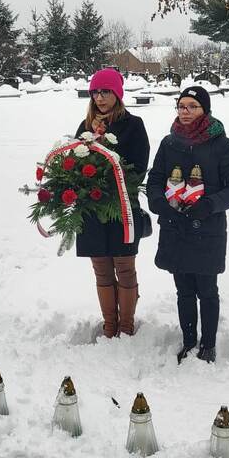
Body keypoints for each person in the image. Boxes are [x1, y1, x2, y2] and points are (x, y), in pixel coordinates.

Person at [146, 86, 229, 363]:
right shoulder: (169, 143)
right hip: (175, 226)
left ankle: (208, 343)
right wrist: (159, 203)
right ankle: (189, 340)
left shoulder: (221, 144)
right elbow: (155, 180)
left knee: (207, 290)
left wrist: (210, 205)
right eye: (181, 106)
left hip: (207, 229)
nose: (185, 112)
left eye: (192, 106)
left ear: (205, 110)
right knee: (184, 290)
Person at [74, 68, 150, 338]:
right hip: (93, 210)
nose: (99, 97)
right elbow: (74, 164)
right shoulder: (85, 128)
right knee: (101, 268)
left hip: (121, 208)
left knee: (125, 267)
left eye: (105, 91)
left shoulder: (133, 125)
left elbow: (139, 167)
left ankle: (126, 324)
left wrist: (111, 181)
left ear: (117, 94)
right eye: (95, 92)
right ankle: (109, 323)